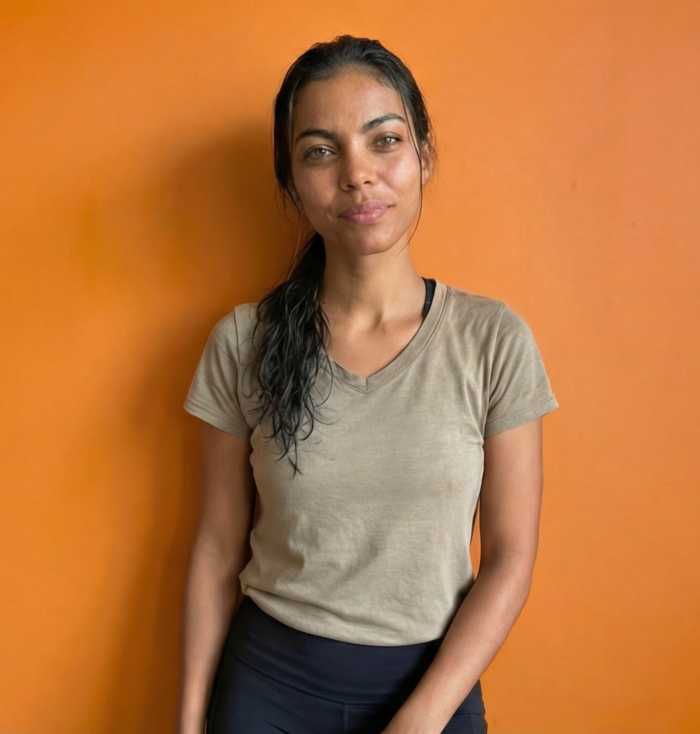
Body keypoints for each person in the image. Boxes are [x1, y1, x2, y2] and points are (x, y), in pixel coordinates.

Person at [177, 35, 558, 734]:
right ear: (292, 184)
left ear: (424, 156)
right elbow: (216, 548)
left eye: (384, 140)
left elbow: (511, 559)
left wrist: (421, 721)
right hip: (267, 691)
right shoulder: (243, 341)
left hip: (432, 691)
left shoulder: (493, 342)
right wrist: (190, 724)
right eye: (320, 152)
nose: (358, 174)